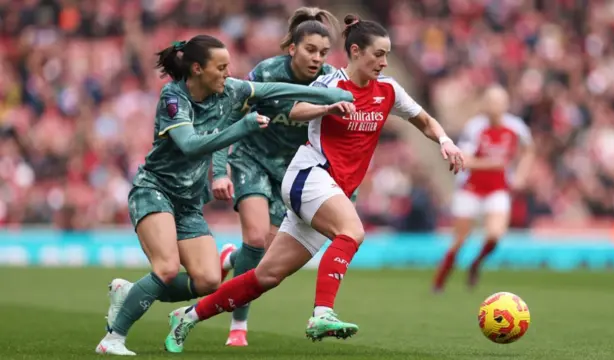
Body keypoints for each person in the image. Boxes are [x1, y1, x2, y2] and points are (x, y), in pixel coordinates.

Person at [163, 15, 465, 353]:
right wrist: (326, 109)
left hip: (331, 190)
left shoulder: (389, 90)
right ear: (355, 51)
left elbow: (421, 118)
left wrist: (444, 141)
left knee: (266, 277)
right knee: (352, 232)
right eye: (378, 54)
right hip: (310, 175)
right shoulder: (330, 84)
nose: (383, 62)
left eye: (386, 55)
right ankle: (322, 313)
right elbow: (295, 110)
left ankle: (188, 316)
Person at [94, 34, 354, 356]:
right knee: (166, 268)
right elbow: (190, 145)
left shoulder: (231, 89)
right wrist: (242, 128)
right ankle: (112, 339)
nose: (228, 73)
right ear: (198, 69)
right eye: (221, 67)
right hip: (155, 189)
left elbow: (276, 91)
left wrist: (328, 95)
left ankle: (129, 292)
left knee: (207, 281)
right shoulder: (174, 98)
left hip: (188, 201)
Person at [211, 7, 343, 347]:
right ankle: (238, 326)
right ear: (292, 48)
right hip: (251, 158)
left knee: (263, 254)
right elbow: (230, 116)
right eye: (310, 50)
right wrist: (220, 166)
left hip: (292, 171)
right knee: (255, 239)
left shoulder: (328, 79)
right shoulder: (266, 73)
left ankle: (229, 259)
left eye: (323, 53)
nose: (317, 58)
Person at [432, 85, 534, 292]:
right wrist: (493, 163)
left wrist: (521, 175)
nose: (495, 106)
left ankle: (475, 265)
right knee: (459, 240)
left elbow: (529, 150)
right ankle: (440, 281)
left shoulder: (516, 127)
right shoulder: (475, 128)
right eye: (491, 101)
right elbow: (465, 160)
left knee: (495, 235)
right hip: (471, 188)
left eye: (499, 102)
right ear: (485, 105)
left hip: (497, 188)